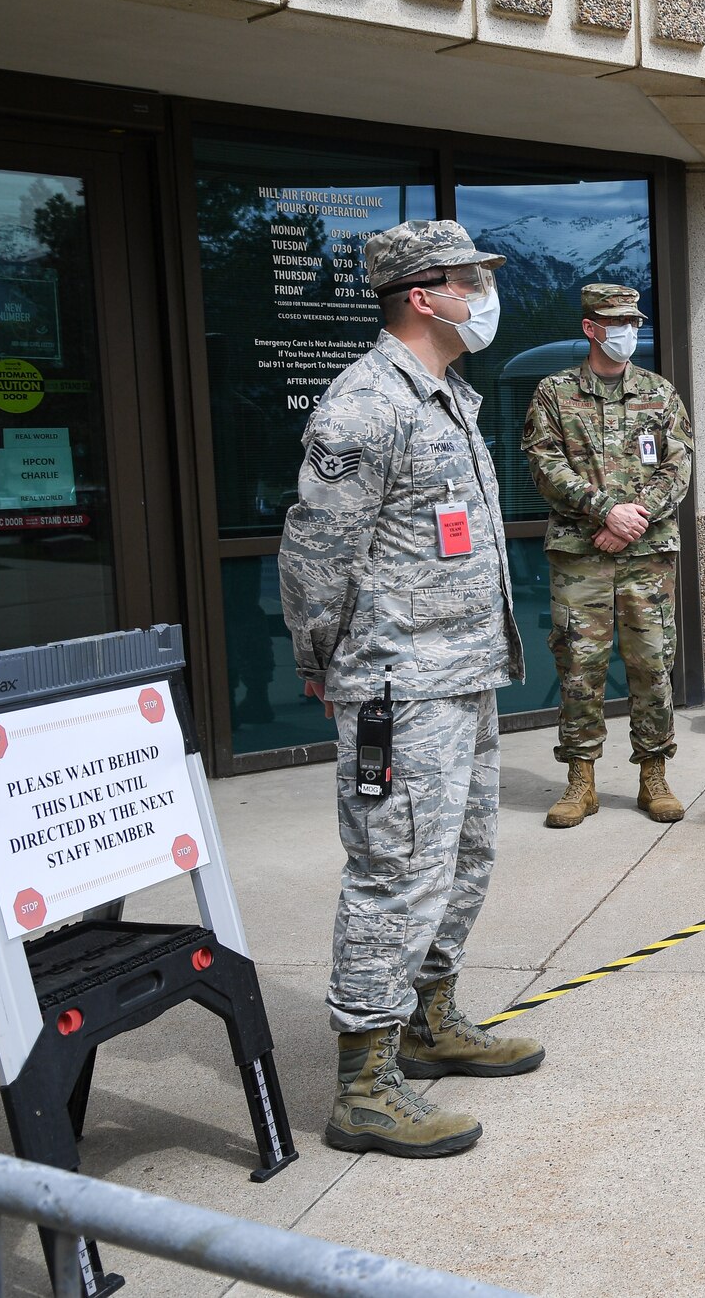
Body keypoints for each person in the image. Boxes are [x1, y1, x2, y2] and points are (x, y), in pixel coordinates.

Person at [280, 219, 544, 1159]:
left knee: (463, 859)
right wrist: (325, 663)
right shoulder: (363, 407)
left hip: (460, 674)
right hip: (397, 687)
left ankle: (429, 1021)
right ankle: (363, 1082)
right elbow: (315, 556)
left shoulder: (447, 395)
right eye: (474, 278)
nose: (485, 293)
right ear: (423, 294)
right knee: (395, 871)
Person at [521, 283, 694, 829]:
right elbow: (544, 465)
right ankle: (580, 781)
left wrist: (632, 517)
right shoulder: (555, 392)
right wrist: (604, 511)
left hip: (647, 556)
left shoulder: (660, 394)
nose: (628, 333)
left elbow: (679, 466)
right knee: (579, 666)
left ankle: (653, 775)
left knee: (652, 663)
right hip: (580, 557)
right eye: (617, 324)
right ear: (591, 328)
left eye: (634, 323)